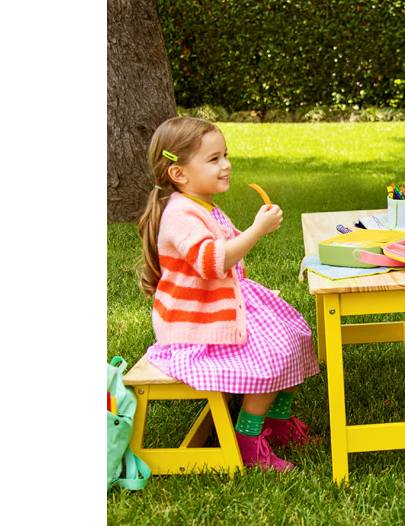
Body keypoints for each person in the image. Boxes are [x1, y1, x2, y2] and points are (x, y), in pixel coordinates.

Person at [137, 116, 319, 472]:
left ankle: (276, 422)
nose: (226, 165)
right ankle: (247, 439)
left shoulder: (201, 205)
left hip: (216, 307)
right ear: (179, 174)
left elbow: (225, 251)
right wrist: (257, 230)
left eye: (225, 155)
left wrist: (251, 231)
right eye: (214, 159)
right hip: (196, 326)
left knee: (295, 335)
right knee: (272, 355)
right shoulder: (181, 215)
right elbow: (214, 262)